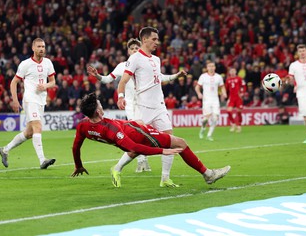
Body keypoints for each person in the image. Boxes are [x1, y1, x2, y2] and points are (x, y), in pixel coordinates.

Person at [71, 93, 231, 188]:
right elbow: (135, 147)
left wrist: (78, 165)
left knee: (143, 133)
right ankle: (208, 175)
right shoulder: (110, 130)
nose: (101, 106)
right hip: (141, 135)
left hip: (133, 127)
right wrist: (162, 151)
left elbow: (76, 147)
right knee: (181, 143)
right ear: (98, 112)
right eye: (100, 105)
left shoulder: (83, 126)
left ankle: (118, 168)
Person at [87, 38, 186, 173]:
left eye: (136, 48)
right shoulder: (122, 66)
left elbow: (160, 77)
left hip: (145, 103)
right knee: (138, 136)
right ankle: (140, 162)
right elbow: (107, 79)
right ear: (128, 51)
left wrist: (175, 75)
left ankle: (158, 172)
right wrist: (97, 75)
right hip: (130, 105)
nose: (134, 50)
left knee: (155, 135)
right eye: (131, 48)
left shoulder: (147, 62)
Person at [116, 27, 182, 188]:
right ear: (144, 40)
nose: (157, 42)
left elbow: (158, 79)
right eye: (154, 39)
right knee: (138, 146)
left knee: (170, 140)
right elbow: (123, 81)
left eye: (157, 39)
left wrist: (174, 76)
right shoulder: (135, 59)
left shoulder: (157, 60)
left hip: (159, 106)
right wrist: (121, 97)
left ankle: (165, 178)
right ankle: (117, 168)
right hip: (143, 107)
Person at [0, 38, 56, 169]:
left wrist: (45, 85)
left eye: (43, 46)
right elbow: (14, 82)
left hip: (41, 101)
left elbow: (53, 82)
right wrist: (15, 101)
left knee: (29, 132)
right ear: (33, 48)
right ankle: (42, 160)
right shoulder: (25, 64)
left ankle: (5, 149)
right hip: (30, 99)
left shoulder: (48, 63)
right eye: (39, 46)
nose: (42, 49)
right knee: (38, 127)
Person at [195, 61, 227, 141]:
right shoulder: (203, 76)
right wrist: (199, 93)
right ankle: (203, 129)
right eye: (209, 66)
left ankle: (209, 135)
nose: (211, 68)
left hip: (215, 99)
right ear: (207, 68)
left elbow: (222, 87)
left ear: (215, 67)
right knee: (206, 118)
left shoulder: (218, 77)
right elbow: (197, 87)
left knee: (216, 118)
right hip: (206, 100)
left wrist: (224, 93)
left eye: (213, 66)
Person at [225, 67, 245, 132]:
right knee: (228, 111)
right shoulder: (228, 80)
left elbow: (244, 86)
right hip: (231, 98)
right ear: (230, 72)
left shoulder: (239, 78)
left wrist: (242, 93)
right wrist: (224, 94)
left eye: (234, 71)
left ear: (236, 72)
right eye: (231, 71)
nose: (233, 72)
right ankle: (233, 123)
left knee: (239, 112)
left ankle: (239, 125)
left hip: (238, 98)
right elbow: (226, 89)